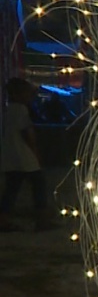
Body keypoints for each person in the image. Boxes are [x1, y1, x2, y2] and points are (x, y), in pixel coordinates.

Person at [0, 78, 53, 231]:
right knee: (38, 184)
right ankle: (42, 219)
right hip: (24, 156)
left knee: (12, 188)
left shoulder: (8, 109)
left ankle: (4, 219)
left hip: (11, 155)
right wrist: (35, 150)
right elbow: (26, 132)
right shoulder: (21, 110)